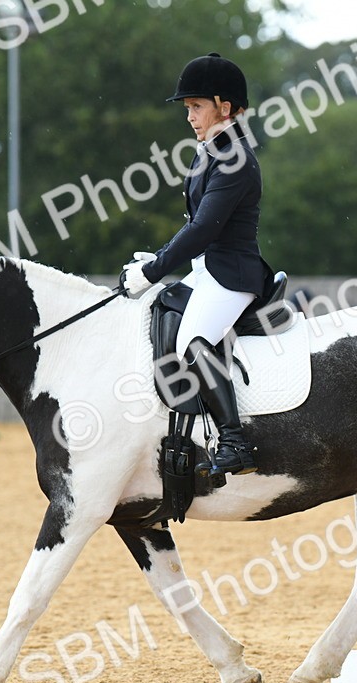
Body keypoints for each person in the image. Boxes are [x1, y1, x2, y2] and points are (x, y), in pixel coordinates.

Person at [119, 52, 275, 477]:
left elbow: (205, 227)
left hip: (232, 275)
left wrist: (154, 271)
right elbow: (195, 226)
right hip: (208, 270)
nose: (189, 117)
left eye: (196, 106)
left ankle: (235, 442)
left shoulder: (234, 158)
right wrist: (158, 259)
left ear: (225, 107)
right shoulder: (209, 152)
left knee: (193, 339)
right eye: (187, 108)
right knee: (159, 310)